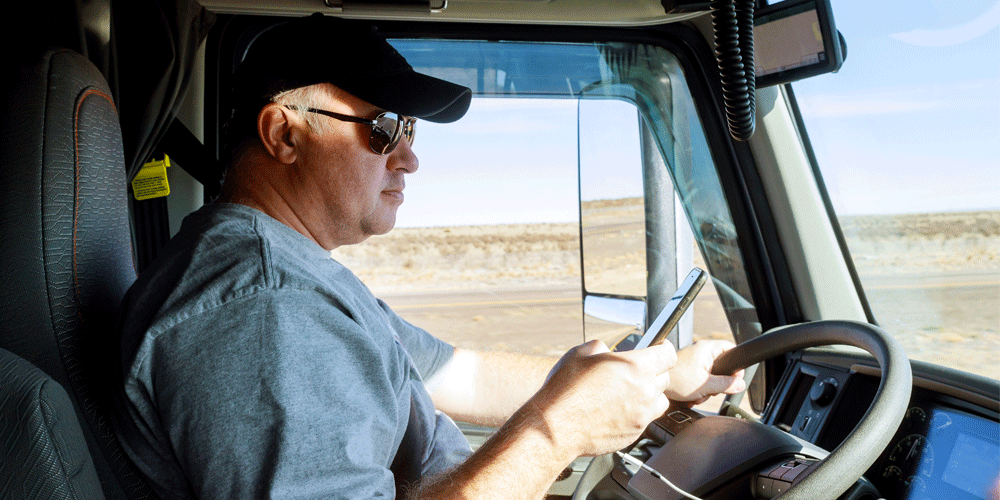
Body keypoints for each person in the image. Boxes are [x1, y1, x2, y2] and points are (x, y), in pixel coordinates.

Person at [115, 13, 746, 500]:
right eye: (383, 127)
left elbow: (460, 376)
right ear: (285, 134)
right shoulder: (264, 312)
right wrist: (558, 431)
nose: (409, 157)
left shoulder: (297, 276)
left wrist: (661, 377)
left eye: (409, 131)